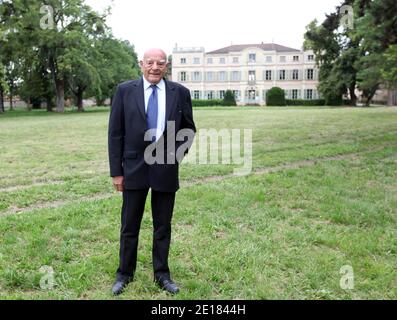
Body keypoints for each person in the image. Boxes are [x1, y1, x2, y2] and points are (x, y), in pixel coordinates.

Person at [108, 48, 196, 295]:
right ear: (141, 64)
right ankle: (124, 274)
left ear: (166, 66)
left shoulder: (180, 93)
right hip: (133, 168)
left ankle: (162, 275)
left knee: (162, 226)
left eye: (160, 63)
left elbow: (188, 130)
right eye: (150, 62)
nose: (155, 67)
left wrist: (175, 155)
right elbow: (115, 133)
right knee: (129, 226)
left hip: (166, 169)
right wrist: (117, 172)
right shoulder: (125, 91)